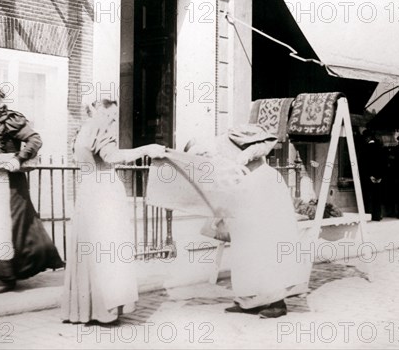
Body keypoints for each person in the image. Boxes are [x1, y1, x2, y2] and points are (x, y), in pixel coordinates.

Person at [185, 124, 306, 319]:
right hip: (245, 188)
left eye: (201, 152)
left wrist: (244, 157)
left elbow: (266, 142)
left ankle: (277, 302)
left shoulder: (232, 136)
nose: (203, 156)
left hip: (263, 183)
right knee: (245, 249)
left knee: (268, 244)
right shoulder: (213, 158)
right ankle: (248, 301)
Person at [61, 99, 166, 325]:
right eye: (112, 114)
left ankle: (85, 309)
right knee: (108, 248)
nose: (114, 119)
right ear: (99, 110)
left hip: (87, 189)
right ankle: (105, 310)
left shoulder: (82, 131)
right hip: (104, 192)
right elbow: (112, 157)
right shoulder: (99, 127)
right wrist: (147, 149)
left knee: (90, 248)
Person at [0, 87, 64, 294]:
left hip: (9, 183)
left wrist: (18, 159)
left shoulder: (10, 119)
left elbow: (35, 139)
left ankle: (8, 278)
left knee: (7, 227)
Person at [359, 130, 386, 221]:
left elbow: (364, 164)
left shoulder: (364, 148)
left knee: (367, 197)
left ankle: (367, 215)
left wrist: (370, 176)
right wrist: (380, 176)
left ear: (368, 138)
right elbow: (383, 163)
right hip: (378, 177)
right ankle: (377, 215)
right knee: (377, 197)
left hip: (368, 176)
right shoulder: (380, 148)